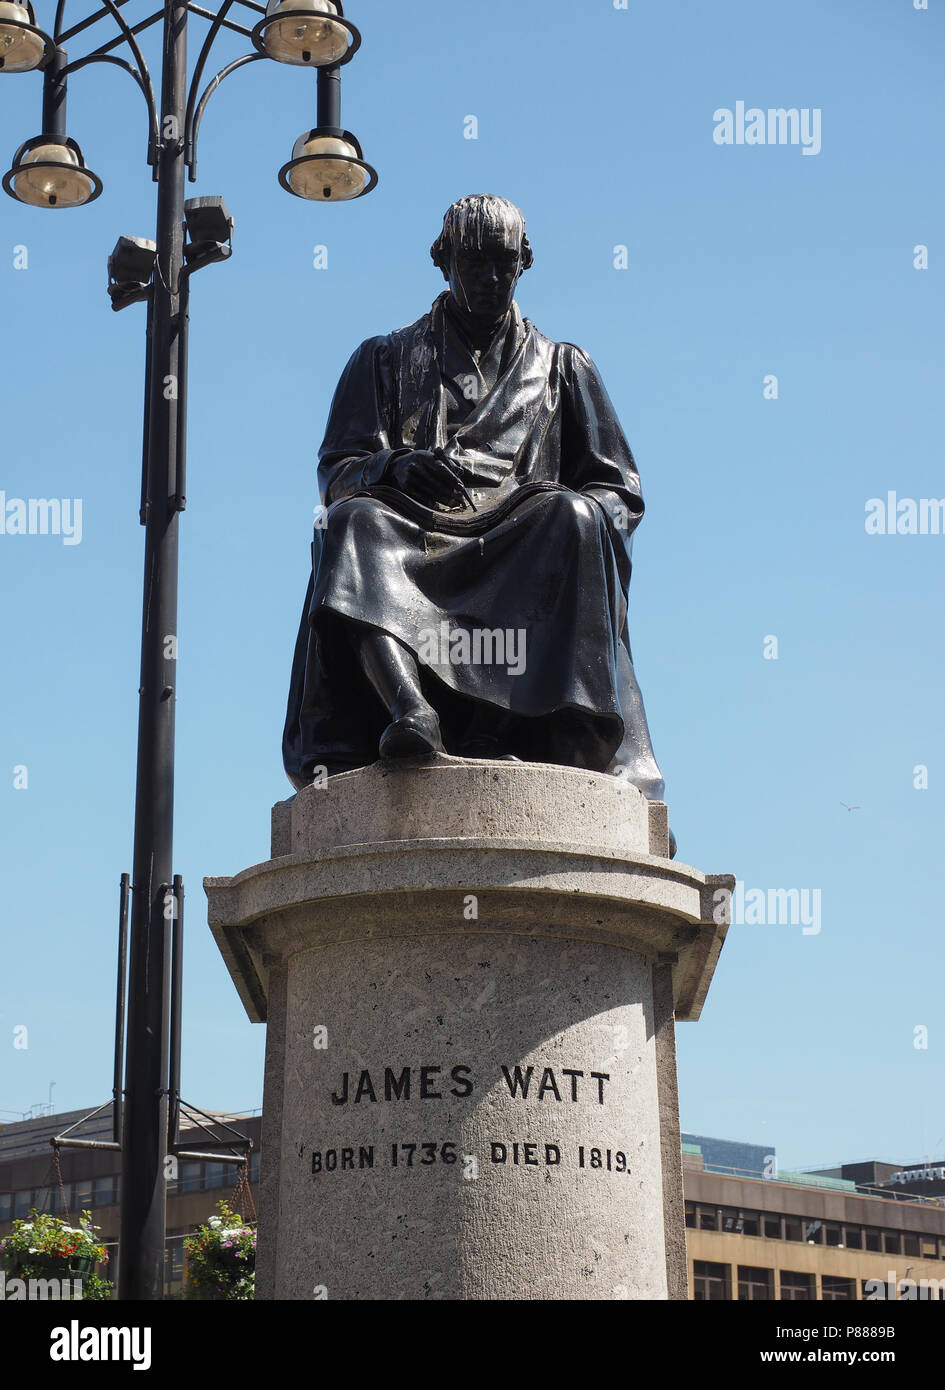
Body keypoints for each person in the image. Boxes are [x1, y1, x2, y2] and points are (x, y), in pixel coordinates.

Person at [283, 194, 666, 811]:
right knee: (353, 522)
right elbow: (338, 471)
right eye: (474, 262)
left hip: (522, 537)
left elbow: (617, 489)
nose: (489, 279)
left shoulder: (563, 368)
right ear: (444, 261)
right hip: (419, 532)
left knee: (571, 516)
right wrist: (395, 467)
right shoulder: (384, 359)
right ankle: (411, 709)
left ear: (524, 264)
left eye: (503, 264)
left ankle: (507, 724)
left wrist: (566, 511)